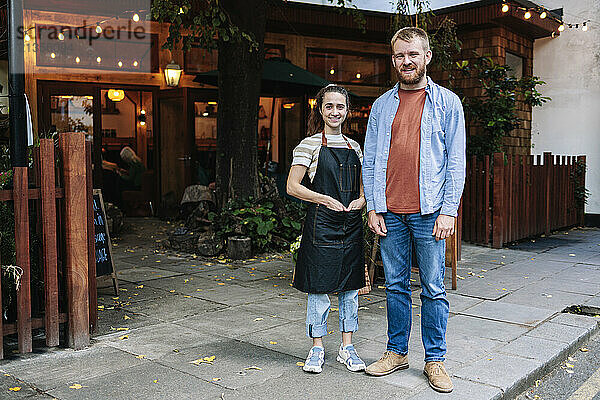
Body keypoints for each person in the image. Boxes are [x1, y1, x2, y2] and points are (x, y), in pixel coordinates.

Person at [362, 27, 465, 393]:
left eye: (413, 54)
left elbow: (456, 162)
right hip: (389, 213)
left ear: (426, 57)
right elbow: (371, 161)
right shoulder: (381, 105)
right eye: (399, 56)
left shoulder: (448, 103)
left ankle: (435, 360)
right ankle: (396, 352)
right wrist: (373, 208)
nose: (406, 61)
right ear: (394, 60)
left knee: (434, 289)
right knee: (394, 287)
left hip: (429, 212)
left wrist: (448, 211)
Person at [287, 84, 367, 374]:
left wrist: (362, 201)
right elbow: (292, 186)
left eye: (340, 107)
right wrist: (322, 198)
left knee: (350, 288)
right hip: (321, 224)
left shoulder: (354, 146)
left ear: (347, 111)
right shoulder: (308, 145)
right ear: (320, 110)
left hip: (351, 224)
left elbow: (362, 188)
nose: (335, 112)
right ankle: (317, 348)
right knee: (318, 288)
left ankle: (347, 348)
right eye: (329, 106)